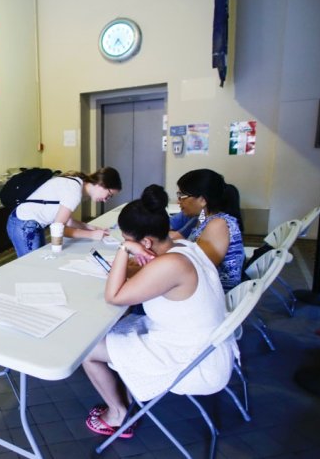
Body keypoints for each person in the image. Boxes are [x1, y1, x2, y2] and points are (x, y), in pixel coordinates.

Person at [81, 185, 237, 438]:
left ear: (145, 242)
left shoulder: (171, 264)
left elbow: (114, 297)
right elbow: (150, 277)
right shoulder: (182, 246)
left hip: (192, 359)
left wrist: (123, 251)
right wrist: (133, 253)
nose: (126, 244)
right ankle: (127, 396)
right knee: (122, 327)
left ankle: (117, 414)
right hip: (204, 345)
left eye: (127, 239)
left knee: (87, 349)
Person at [6, 168, 122, 257]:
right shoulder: (74, 192)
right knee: (32, 265)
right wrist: (91, 235)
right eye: (109, 195)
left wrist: (92, 228)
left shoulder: (76, 184)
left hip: (24, 222)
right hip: (24, 225)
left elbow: (69, 221)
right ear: (102, 184)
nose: (106, 199)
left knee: (37, 261)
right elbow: (59, 229)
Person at [171, 169, 245, 291]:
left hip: (213, 295)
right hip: (203, 290)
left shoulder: (218, 225)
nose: (178, 201)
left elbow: (199, 268)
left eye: (182, 196)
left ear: (202, 200)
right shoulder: (205, 219)